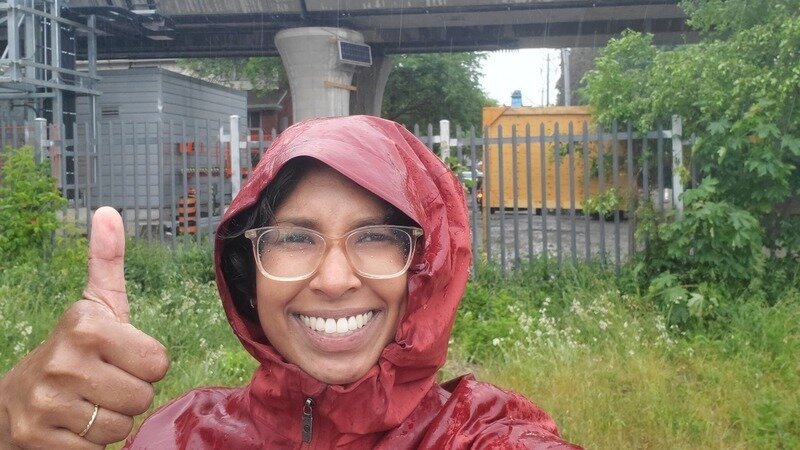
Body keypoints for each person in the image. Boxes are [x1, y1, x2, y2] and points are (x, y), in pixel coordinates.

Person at [0, 115, 582, 449]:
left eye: (376, 237)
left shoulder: (479, 433)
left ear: (426, 269)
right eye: (295, 239)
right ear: (248, 271)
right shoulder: (181, 436)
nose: (334, 280)